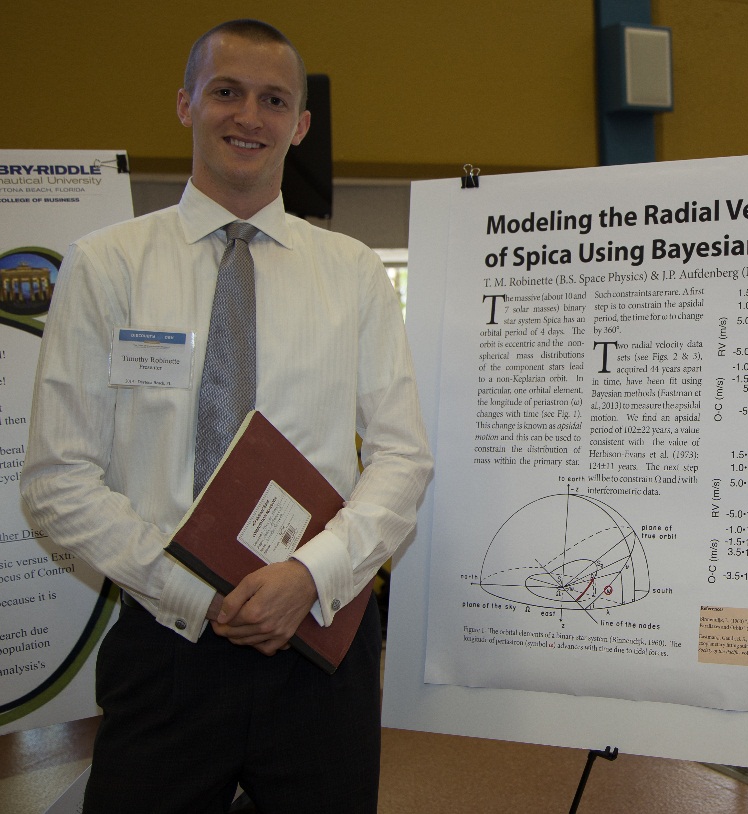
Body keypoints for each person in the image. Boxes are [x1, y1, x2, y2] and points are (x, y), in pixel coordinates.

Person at [20, 19, 432, 814]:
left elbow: (402, 460)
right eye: (226, 92)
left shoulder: (351, 274)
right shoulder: (106, 265)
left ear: (300, 125)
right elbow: (55, 481)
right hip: (167, 640)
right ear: (186, 104)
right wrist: (200, 591)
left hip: (318, 636)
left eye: (274, 99)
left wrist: (307, 575)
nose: (250, 115)